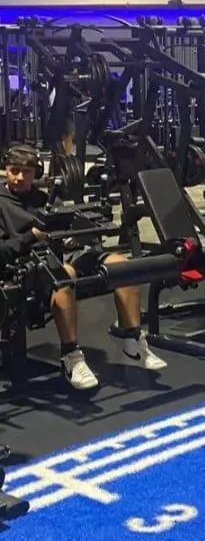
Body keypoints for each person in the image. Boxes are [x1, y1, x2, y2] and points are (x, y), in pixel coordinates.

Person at [0, 142, 167, 390]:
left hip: (63, 252)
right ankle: (72, 357)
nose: (20, 178)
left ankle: (131, 340)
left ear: (37, 173)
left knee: (122, 267)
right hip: (27, 262)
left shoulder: (44, 198)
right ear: (5, 169)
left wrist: (75, 232)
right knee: (64, 275)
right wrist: (32, 236)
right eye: (14, 171)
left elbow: (64, 225)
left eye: (27, 172)